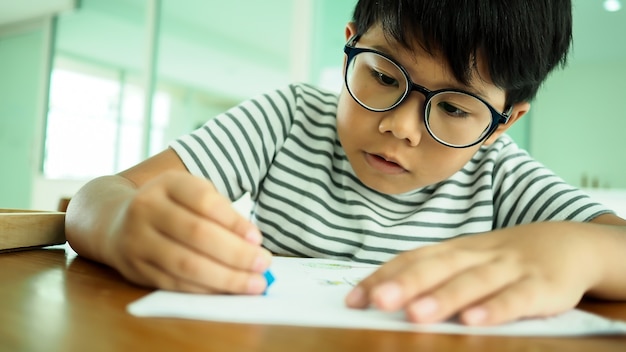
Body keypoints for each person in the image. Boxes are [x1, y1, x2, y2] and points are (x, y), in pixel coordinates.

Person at [65, 0, 626, 326]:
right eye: (383, 76)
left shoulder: (501, 174)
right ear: (350, 44)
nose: (400, 127)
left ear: (503, 124)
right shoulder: (287, 119)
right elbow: (99, 196)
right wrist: (119, 223)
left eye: (455, 108)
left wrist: (577, 251)